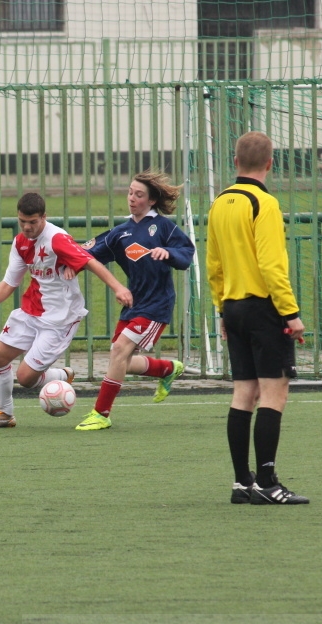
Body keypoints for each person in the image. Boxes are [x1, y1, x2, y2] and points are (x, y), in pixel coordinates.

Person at [205, 131, 309, 505]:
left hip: (233, 307)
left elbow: (214, 265)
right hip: (263, 309)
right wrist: (291, 314)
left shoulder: (219, 204)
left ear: (235, 162)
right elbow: (271, 265)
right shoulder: (264, 204)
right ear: (270, 163)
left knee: (242, 393)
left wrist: (222, 307)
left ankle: (241, 483)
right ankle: (266, 481)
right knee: (274, 392)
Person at [0, 193, 133, 429]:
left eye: (33, 222)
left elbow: (90, 261)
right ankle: (4, 415)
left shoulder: (57, 238)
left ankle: (60, 376)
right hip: (31, 311)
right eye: (22, 222)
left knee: (26, 379)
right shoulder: (20, 243)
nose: (27, 227)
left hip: (60, 318)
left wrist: (118, 287)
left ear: (44, 217)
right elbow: (10, 282)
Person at [73, 169, 196, 431]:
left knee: (119, 351)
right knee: (123, 361)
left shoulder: (163, 226)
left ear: (151, 201)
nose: (132, 198)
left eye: (138, 194)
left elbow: (186, 254)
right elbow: (86, 253)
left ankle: (101, 413)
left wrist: (169, 252)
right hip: (134, 304)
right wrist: (64, 256)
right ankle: (167, 369)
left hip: (157, 305)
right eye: (130, 192)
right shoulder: (121, 232)